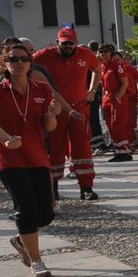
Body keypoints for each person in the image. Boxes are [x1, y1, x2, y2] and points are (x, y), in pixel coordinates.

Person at [0, 41, 61, 277]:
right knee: (27, 210)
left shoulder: (41, 89)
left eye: (23, 59)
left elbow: (49, 126)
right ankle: (37, 260)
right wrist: (6, 138)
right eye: (13, 59)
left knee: (46, 213)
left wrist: (52, 115)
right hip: (9, 158)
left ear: (30, 62)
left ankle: (21, 240)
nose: (19, 63)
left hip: (37, 156)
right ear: (5, 63)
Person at [32, 25, 102, 201]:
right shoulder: (43, 56)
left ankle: (86, 187)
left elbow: (98, 69)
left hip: (80, 108)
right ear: (57, 43)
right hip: (55, 110)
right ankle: (53, 187)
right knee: (54, 149)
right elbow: (27, 69)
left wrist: (92, 90)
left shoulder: (86, 55)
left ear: (76, 42)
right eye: (64, 43)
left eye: (71, 43)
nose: (67, 46)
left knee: (82, 147)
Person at [99, 44, 138, 161]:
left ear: (111, 53)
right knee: (111, 126)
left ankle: (124, 151)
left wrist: (117, 97)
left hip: (117, 97)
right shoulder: (102, 66)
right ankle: (119, 151)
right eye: (100, 51)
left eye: (105, 51)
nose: (102, 54)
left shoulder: (117, 66)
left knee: (117, 124)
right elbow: (102, 85)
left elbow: (124, 83)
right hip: (107, 97)